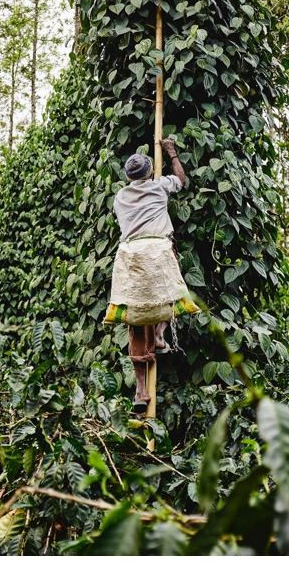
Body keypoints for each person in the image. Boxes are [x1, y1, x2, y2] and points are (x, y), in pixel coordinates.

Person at [104, 137, 195, 409]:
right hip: (157, 251)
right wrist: (171, 152)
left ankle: (141, 392)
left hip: (130, 257)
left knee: (136, 318)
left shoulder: (120, 197)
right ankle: (159, 333)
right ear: (149, 173)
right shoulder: (158, 187)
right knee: (170, 297)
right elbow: (181, 179)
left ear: (128, 177)